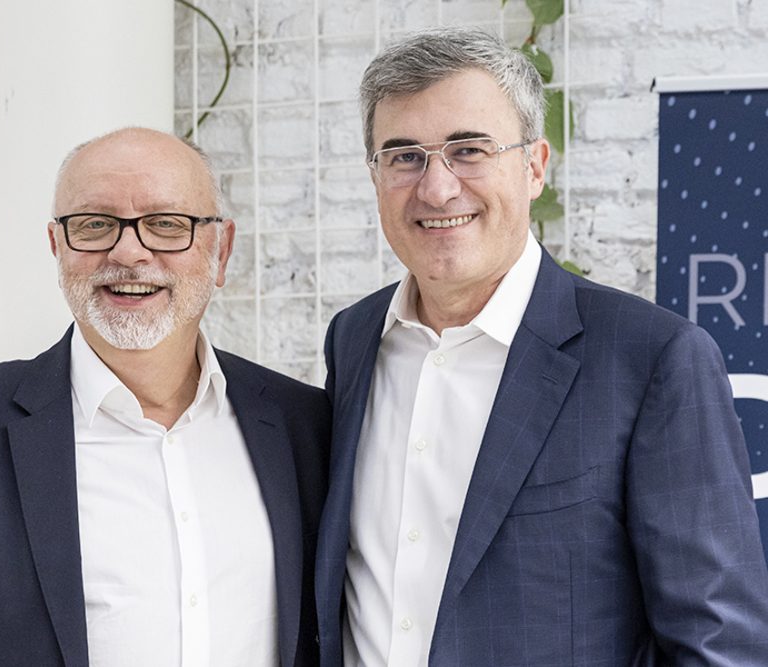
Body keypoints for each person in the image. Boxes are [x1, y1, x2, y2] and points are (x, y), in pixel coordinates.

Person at [0, 128, 330, 666]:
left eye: (167, 224)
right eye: (95, 224)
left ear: (221, 250)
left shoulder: (302, 427)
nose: (129, 251)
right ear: (57, 246)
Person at [314, 28, 768, 666]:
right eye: (405, 156)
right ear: (374, 175)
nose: (437, 188)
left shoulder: (652, 359)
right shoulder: (354, 340)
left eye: (469, 150)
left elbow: (720, 646)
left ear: (534, 167)